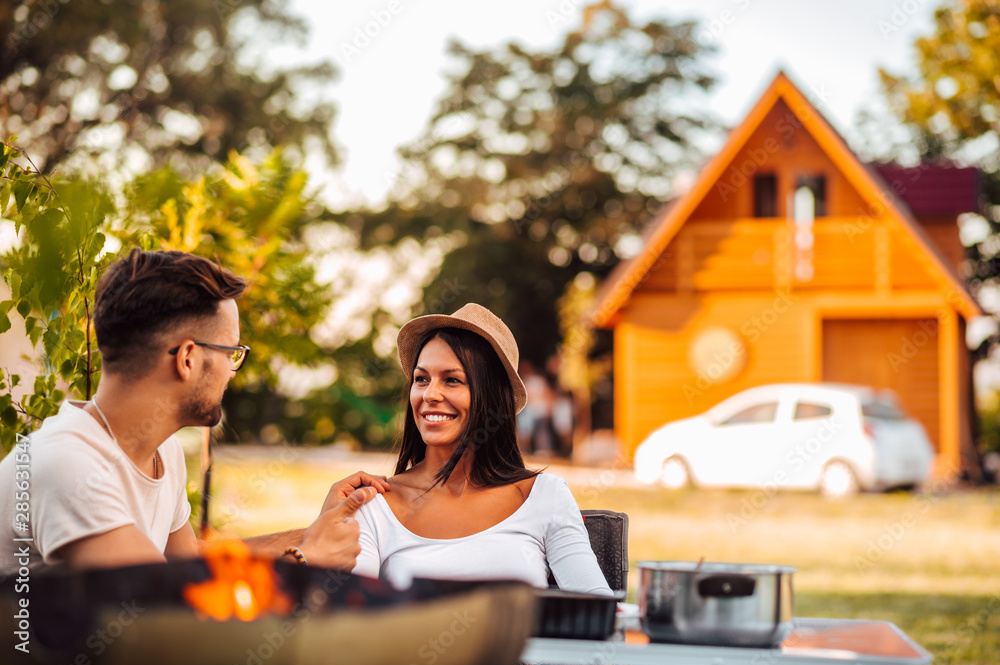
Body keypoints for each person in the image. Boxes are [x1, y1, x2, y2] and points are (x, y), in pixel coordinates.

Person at [0, 248, 386, 574]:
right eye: (231, 353)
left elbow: (187, 562)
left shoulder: (160, 450)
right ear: (187, 358)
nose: (233, 371)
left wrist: (314, 532)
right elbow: (163, 612)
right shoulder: (69, 466)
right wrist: (306, 559)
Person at [352, 303, 611, 595]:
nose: (430, 394)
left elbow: (598, 609)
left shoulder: (545, 496)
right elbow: (351, 622)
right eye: (421, 379)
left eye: (452, 380)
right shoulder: (374, 503)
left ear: (491, 397)